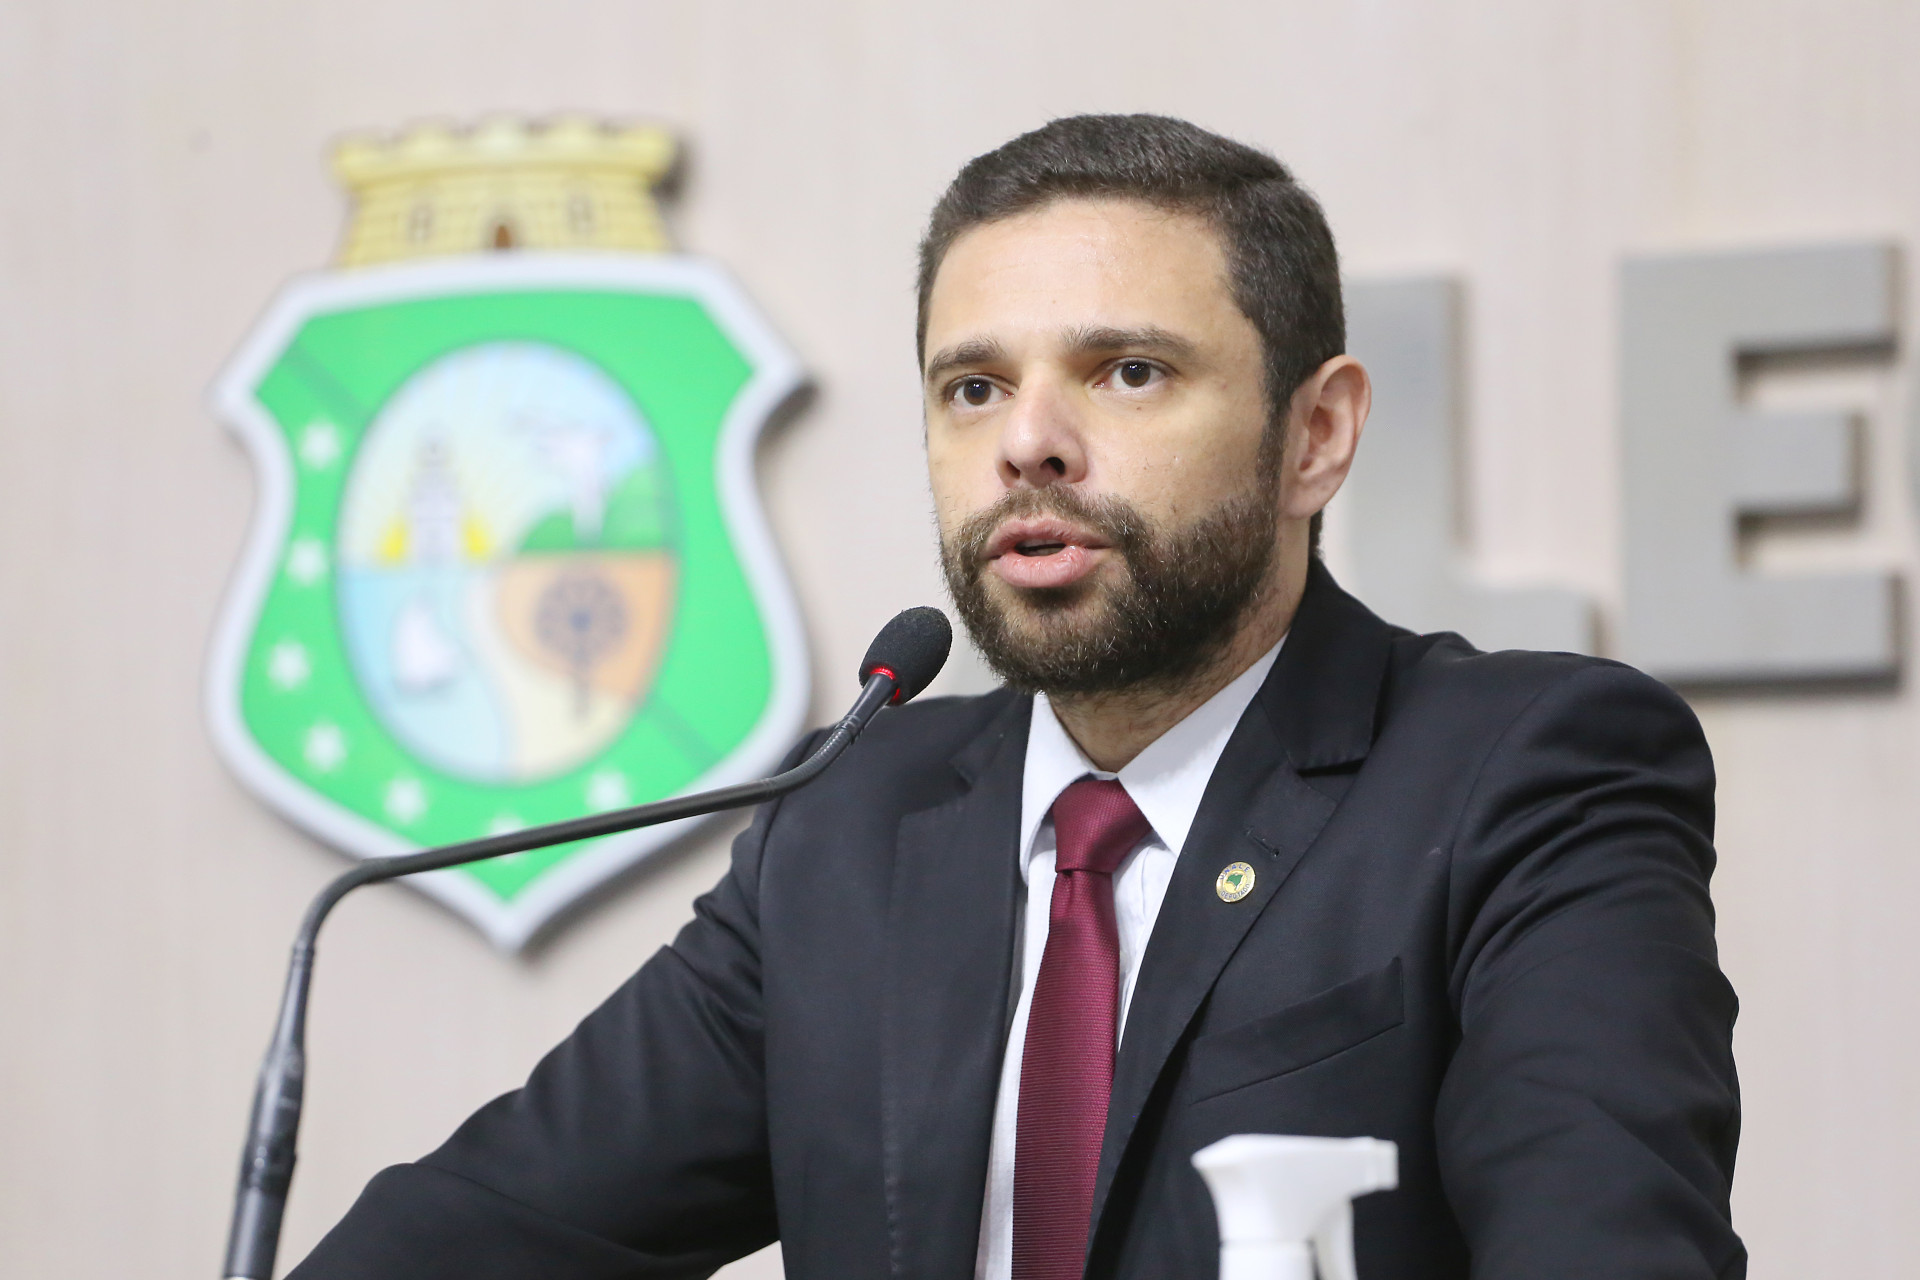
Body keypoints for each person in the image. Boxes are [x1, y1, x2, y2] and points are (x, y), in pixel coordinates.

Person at [289, 115, 1744, 1280]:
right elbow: (490, 1232)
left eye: (1126, 371)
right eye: (972, 389)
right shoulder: (853, 821)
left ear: (1316, 435)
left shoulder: (1527, 773)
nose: (1029, 445)